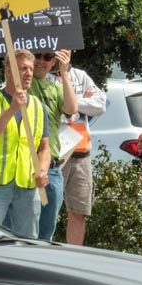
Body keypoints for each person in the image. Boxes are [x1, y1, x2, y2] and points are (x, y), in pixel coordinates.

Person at [0, 50, 51, 238]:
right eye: (23, 68)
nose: (29, 73)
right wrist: (13, 108)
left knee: (29, 243)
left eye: (31, 69)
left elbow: (44, 148)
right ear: (9, 71)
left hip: (27, 184)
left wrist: (42, 170)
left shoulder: (37, 106)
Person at [50, 64, 107, 245]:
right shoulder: (43, 76)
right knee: (48, 207)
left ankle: (73, 256)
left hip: (82, 152)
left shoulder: (80, 75)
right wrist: (78, 101)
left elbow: (100, 105)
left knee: (79, 211)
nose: (61, 54)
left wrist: (72, 100)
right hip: (55, 153)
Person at [28, 50, 78, 241]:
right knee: (25, 230)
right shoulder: (21, 81)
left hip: (52, 168)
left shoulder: (55, 87)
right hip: (26, 165)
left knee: (46, 232)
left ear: (53, 62)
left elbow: (72, 109)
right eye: (37, 56)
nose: (41, 61)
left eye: (47, 57)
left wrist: (64, 73)